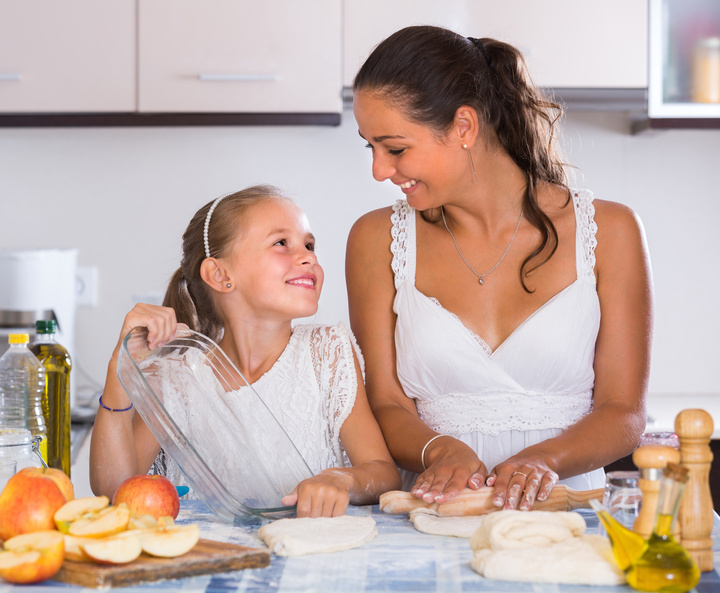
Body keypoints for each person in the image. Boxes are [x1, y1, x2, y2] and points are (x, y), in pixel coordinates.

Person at [346, 26, 653, 512]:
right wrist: (439, 450)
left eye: (395, 148)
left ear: (463, 126)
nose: (380, 170)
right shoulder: (374, 239)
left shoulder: (611, 230)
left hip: (561, 513)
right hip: (432, 513)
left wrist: (543, 460)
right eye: (371, 148)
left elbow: (624, 413)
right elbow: (384, 401)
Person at [90, 185, 400, 517]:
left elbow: (382, 473)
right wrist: (119, 371)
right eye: (281, 243)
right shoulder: (178, 377)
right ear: (219, 274)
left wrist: (343, 480)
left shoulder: (327, 353)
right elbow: (116, 493)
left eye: (309, 245)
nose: (309, 255)